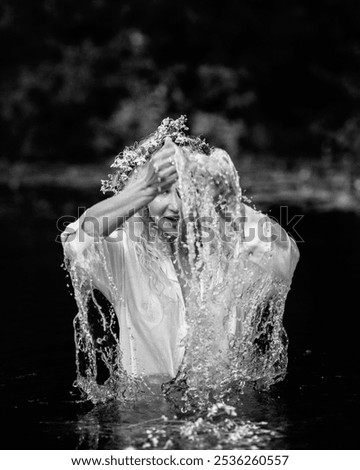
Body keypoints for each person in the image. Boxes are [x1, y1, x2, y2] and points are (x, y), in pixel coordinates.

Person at [61, 116, 299, 398]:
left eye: (185, 193)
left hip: (223, 410)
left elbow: (284, 255)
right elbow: (76, 239)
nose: (174, 207)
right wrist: (143, 187)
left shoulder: (230, 250)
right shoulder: (125, 254)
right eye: (162, 193)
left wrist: (226, 203)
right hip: (144, 413)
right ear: (145, 202)